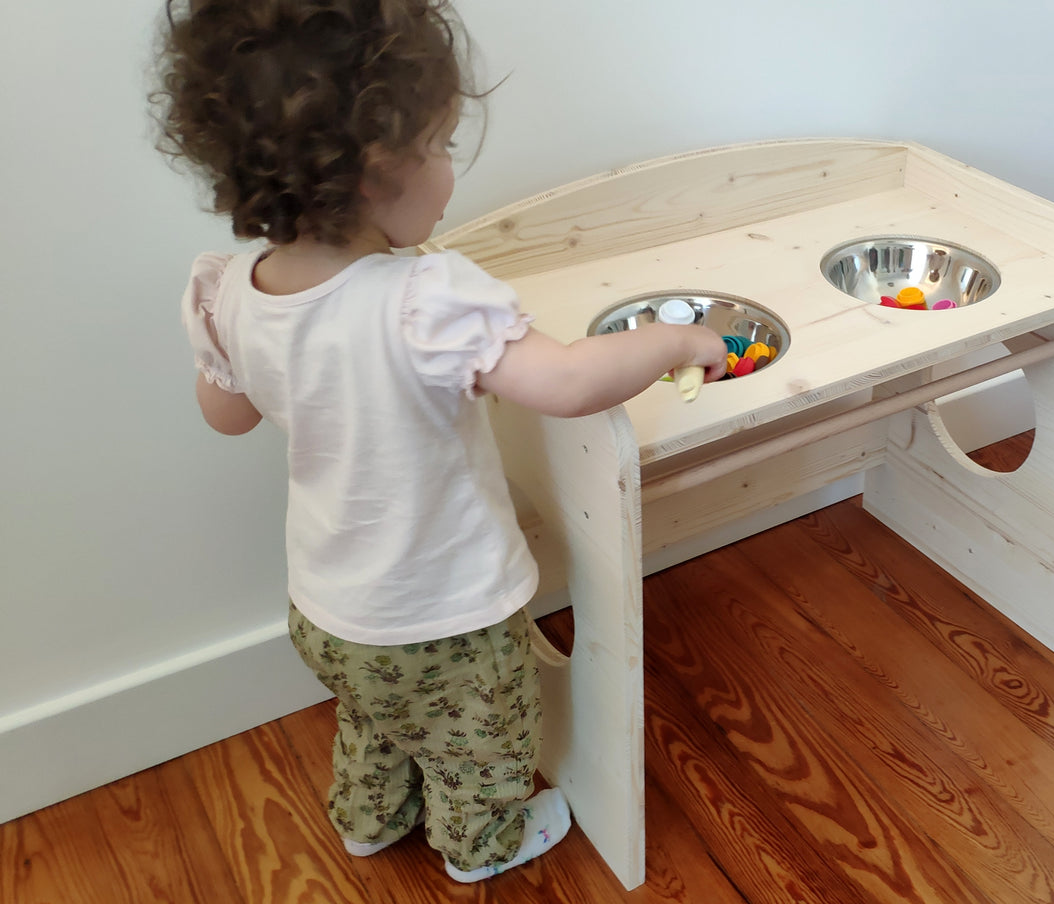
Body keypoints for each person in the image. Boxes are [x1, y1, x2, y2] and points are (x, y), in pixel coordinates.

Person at [152, 0, 726, 883]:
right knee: (481, 739)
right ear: (381, 172)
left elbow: (225, 414)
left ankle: (368, 821)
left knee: (377, 719)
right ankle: (480, 845)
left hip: (328, 609)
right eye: (444, 144)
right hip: (443, 614)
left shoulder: (229, 291)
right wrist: (677, 341)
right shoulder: (423, 300)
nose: (452, 168)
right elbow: (568, 383)